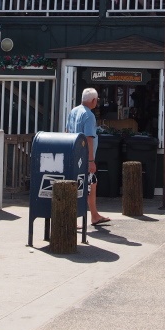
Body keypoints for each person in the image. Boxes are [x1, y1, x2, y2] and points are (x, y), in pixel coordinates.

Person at [65, 88, 109, 226]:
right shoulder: (89, 115)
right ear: (94, 100)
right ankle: (89, 216)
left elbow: (66, 132)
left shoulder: (73, 111)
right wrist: (91, 161)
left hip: (73, 154)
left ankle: (93, 214)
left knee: (87, 185)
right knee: (87, 186)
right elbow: (89, 138)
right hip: (84, 157)